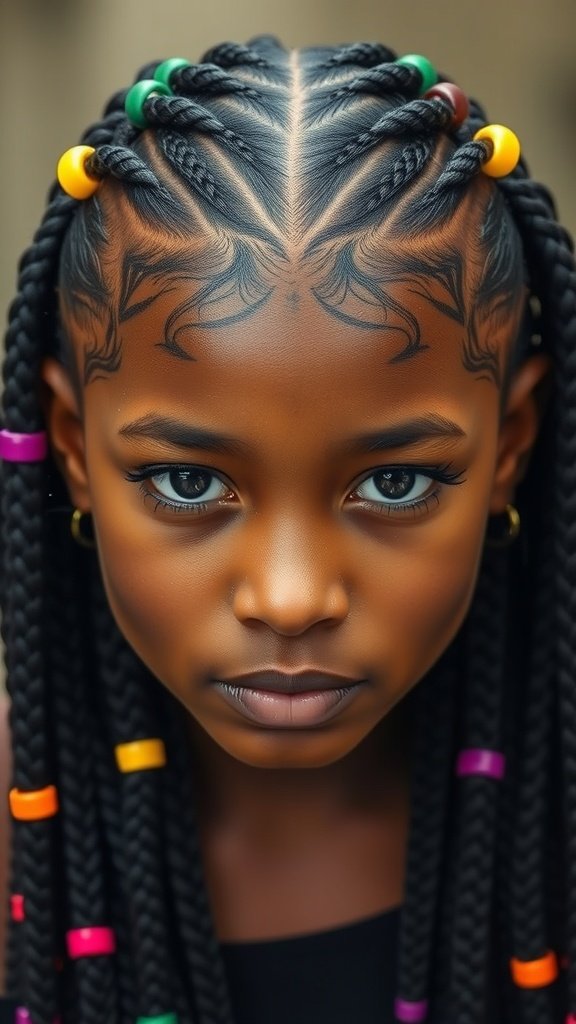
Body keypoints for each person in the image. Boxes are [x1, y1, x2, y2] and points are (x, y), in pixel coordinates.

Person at [0, 34, 574, 1024]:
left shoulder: (549, 814)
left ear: (509, 449)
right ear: (75, 450)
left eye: (395, 482)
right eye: (186, 480)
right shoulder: (20, 841)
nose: (293, 596)